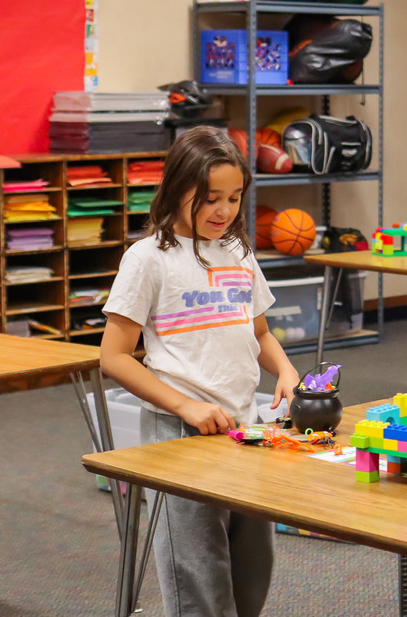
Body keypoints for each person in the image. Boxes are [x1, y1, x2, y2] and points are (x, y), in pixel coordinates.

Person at [100, 125, 299, 617]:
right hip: (177, 434)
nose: (224, 211)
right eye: (210, 198)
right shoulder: (147, 259)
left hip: (244, 427)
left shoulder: (238, 253)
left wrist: (286, 370)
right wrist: (185, 405)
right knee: (197, 576)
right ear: (176, 189)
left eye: (234, 198)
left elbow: (259, 335)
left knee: (252, 566)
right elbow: (115, 356)